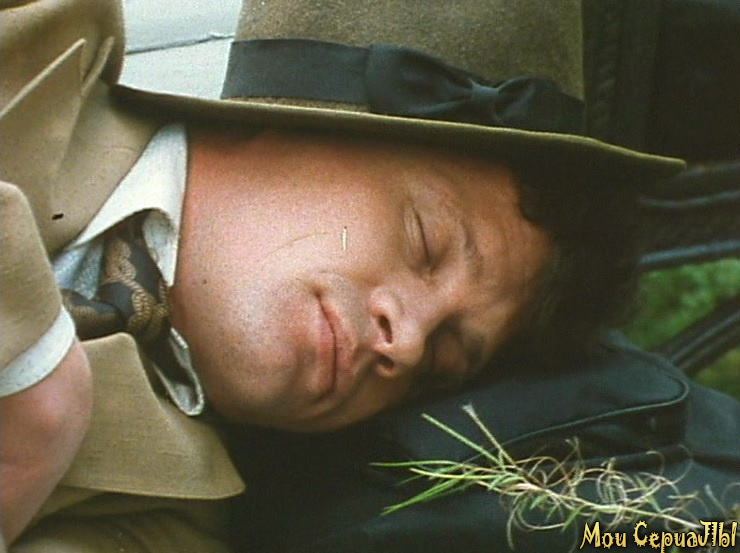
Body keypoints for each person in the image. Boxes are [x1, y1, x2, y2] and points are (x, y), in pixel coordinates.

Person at [0, 0, 699, 550]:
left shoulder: (156, 521)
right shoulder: (37, 33)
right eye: (425, 243)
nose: (407, 343)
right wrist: (32, 365)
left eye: (441, 362)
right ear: (293, 116)